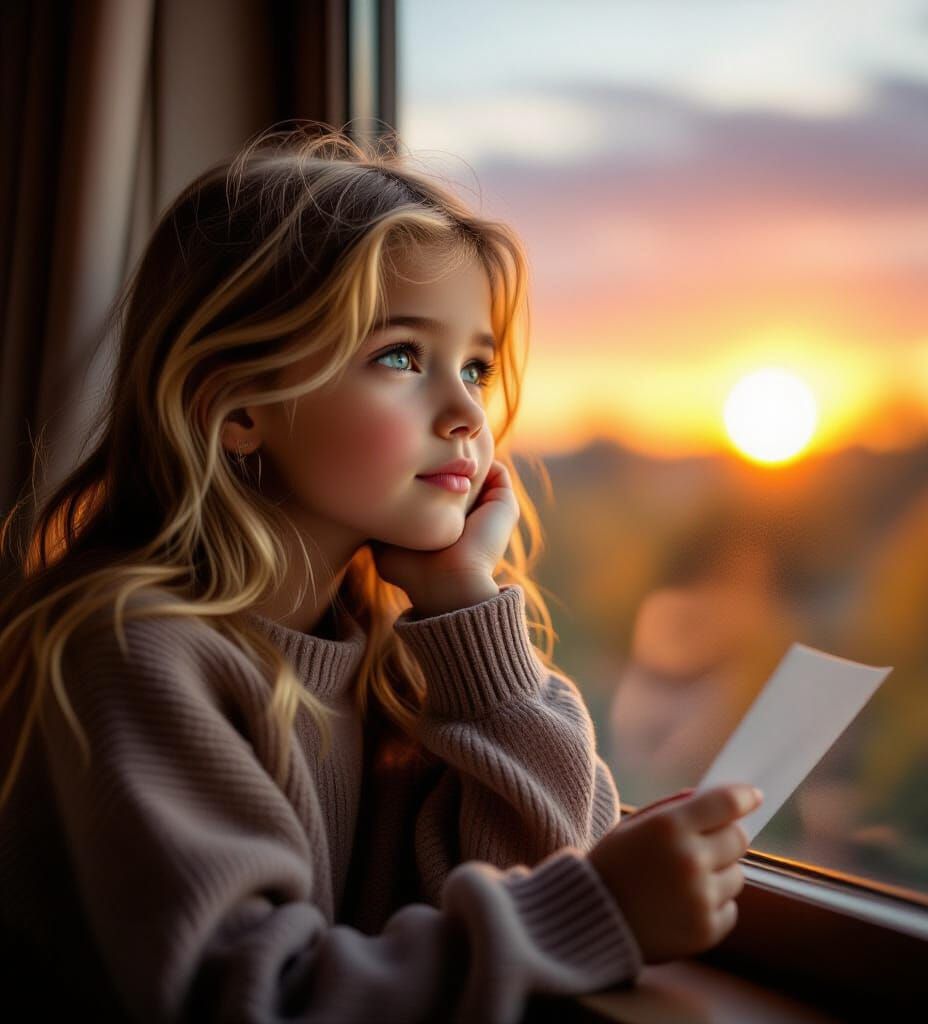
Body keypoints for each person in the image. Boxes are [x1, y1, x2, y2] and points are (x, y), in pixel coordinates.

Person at [0, 123, 762, 1023]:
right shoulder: (129, 657)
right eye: (401, 356)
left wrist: (466, 609)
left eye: (476, 366)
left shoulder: (386, 661)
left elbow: (556, 858)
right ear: (237, 407)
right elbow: (248, 1000)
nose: (467, 413)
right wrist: (598, 914)